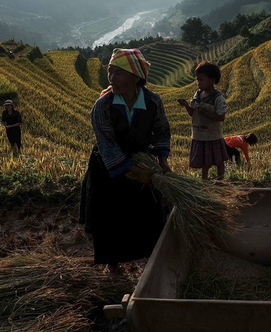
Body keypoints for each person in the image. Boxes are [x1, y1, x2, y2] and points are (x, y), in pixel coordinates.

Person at [79, 48, 171, 274]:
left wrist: (163, 163)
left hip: (142, 161)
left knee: (145, 213)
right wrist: (131, 170)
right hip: (108, 167)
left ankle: (150, 262)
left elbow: (161, 131)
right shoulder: (103, 105)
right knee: (110, 215)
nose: (112, 78)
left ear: (135, 77)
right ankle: (113, 265)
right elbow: (106, 142)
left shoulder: (152, 102)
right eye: (110, 72)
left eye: (119, 73)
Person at [177, 61, 228, 180]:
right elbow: (192, 113)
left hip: (213, 135)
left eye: (201, 80)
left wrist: (205, 112)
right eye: (197, 80)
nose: (198, 83)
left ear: (212, 80)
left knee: (218, 160)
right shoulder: (197, 95)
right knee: (205, 162)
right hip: (199, 134)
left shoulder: (217, 98)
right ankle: (204, 181)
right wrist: (185, 105)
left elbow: (221, 117)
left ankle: (220, 180)